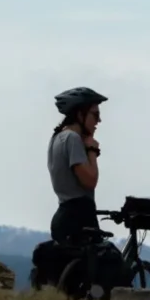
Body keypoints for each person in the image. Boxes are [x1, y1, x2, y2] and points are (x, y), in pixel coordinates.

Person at [47, 87, 107, 245]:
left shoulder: (57, 137)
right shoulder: (72, 139)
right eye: (95, 115)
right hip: (79, 218)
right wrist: (92, 151)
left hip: (63, 215)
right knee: (112, 264)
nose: (99, 121)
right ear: (80, 114)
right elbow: (89, 181)